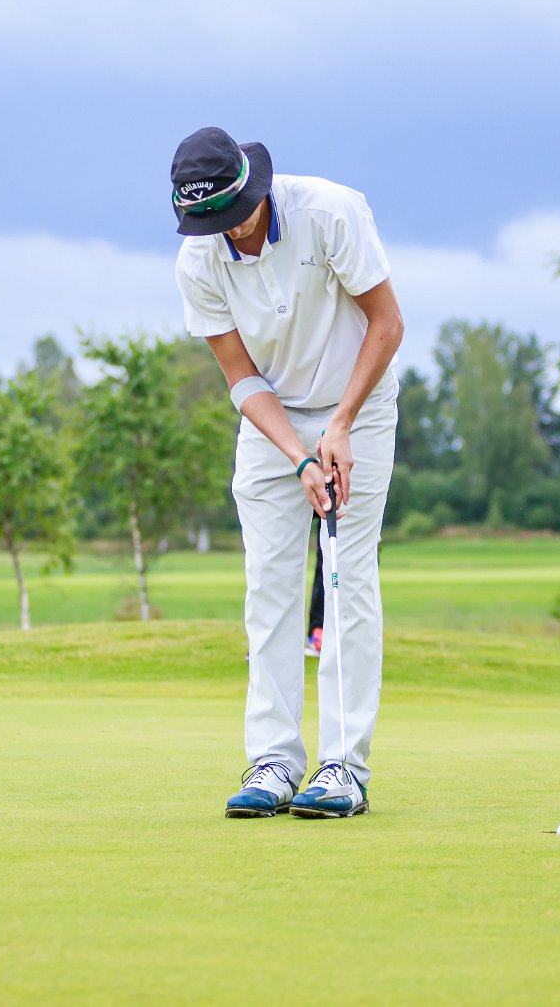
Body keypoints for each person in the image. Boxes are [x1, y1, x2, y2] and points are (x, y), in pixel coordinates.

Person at [168, 126, 404, 820]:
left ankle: (343, 767)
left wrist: (338, 427)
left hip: (358, 401)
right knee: (268, 585)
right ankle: (274, 758)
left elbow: (387, 324)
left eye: (233, 213)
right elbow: (240, 377)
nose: (227, 232)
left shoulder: (330, 212)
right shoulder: (197, 262)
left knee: (346, 576)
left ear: (256, 187)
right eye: (209, 223)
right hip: (271, 421)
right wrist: (298, 454)